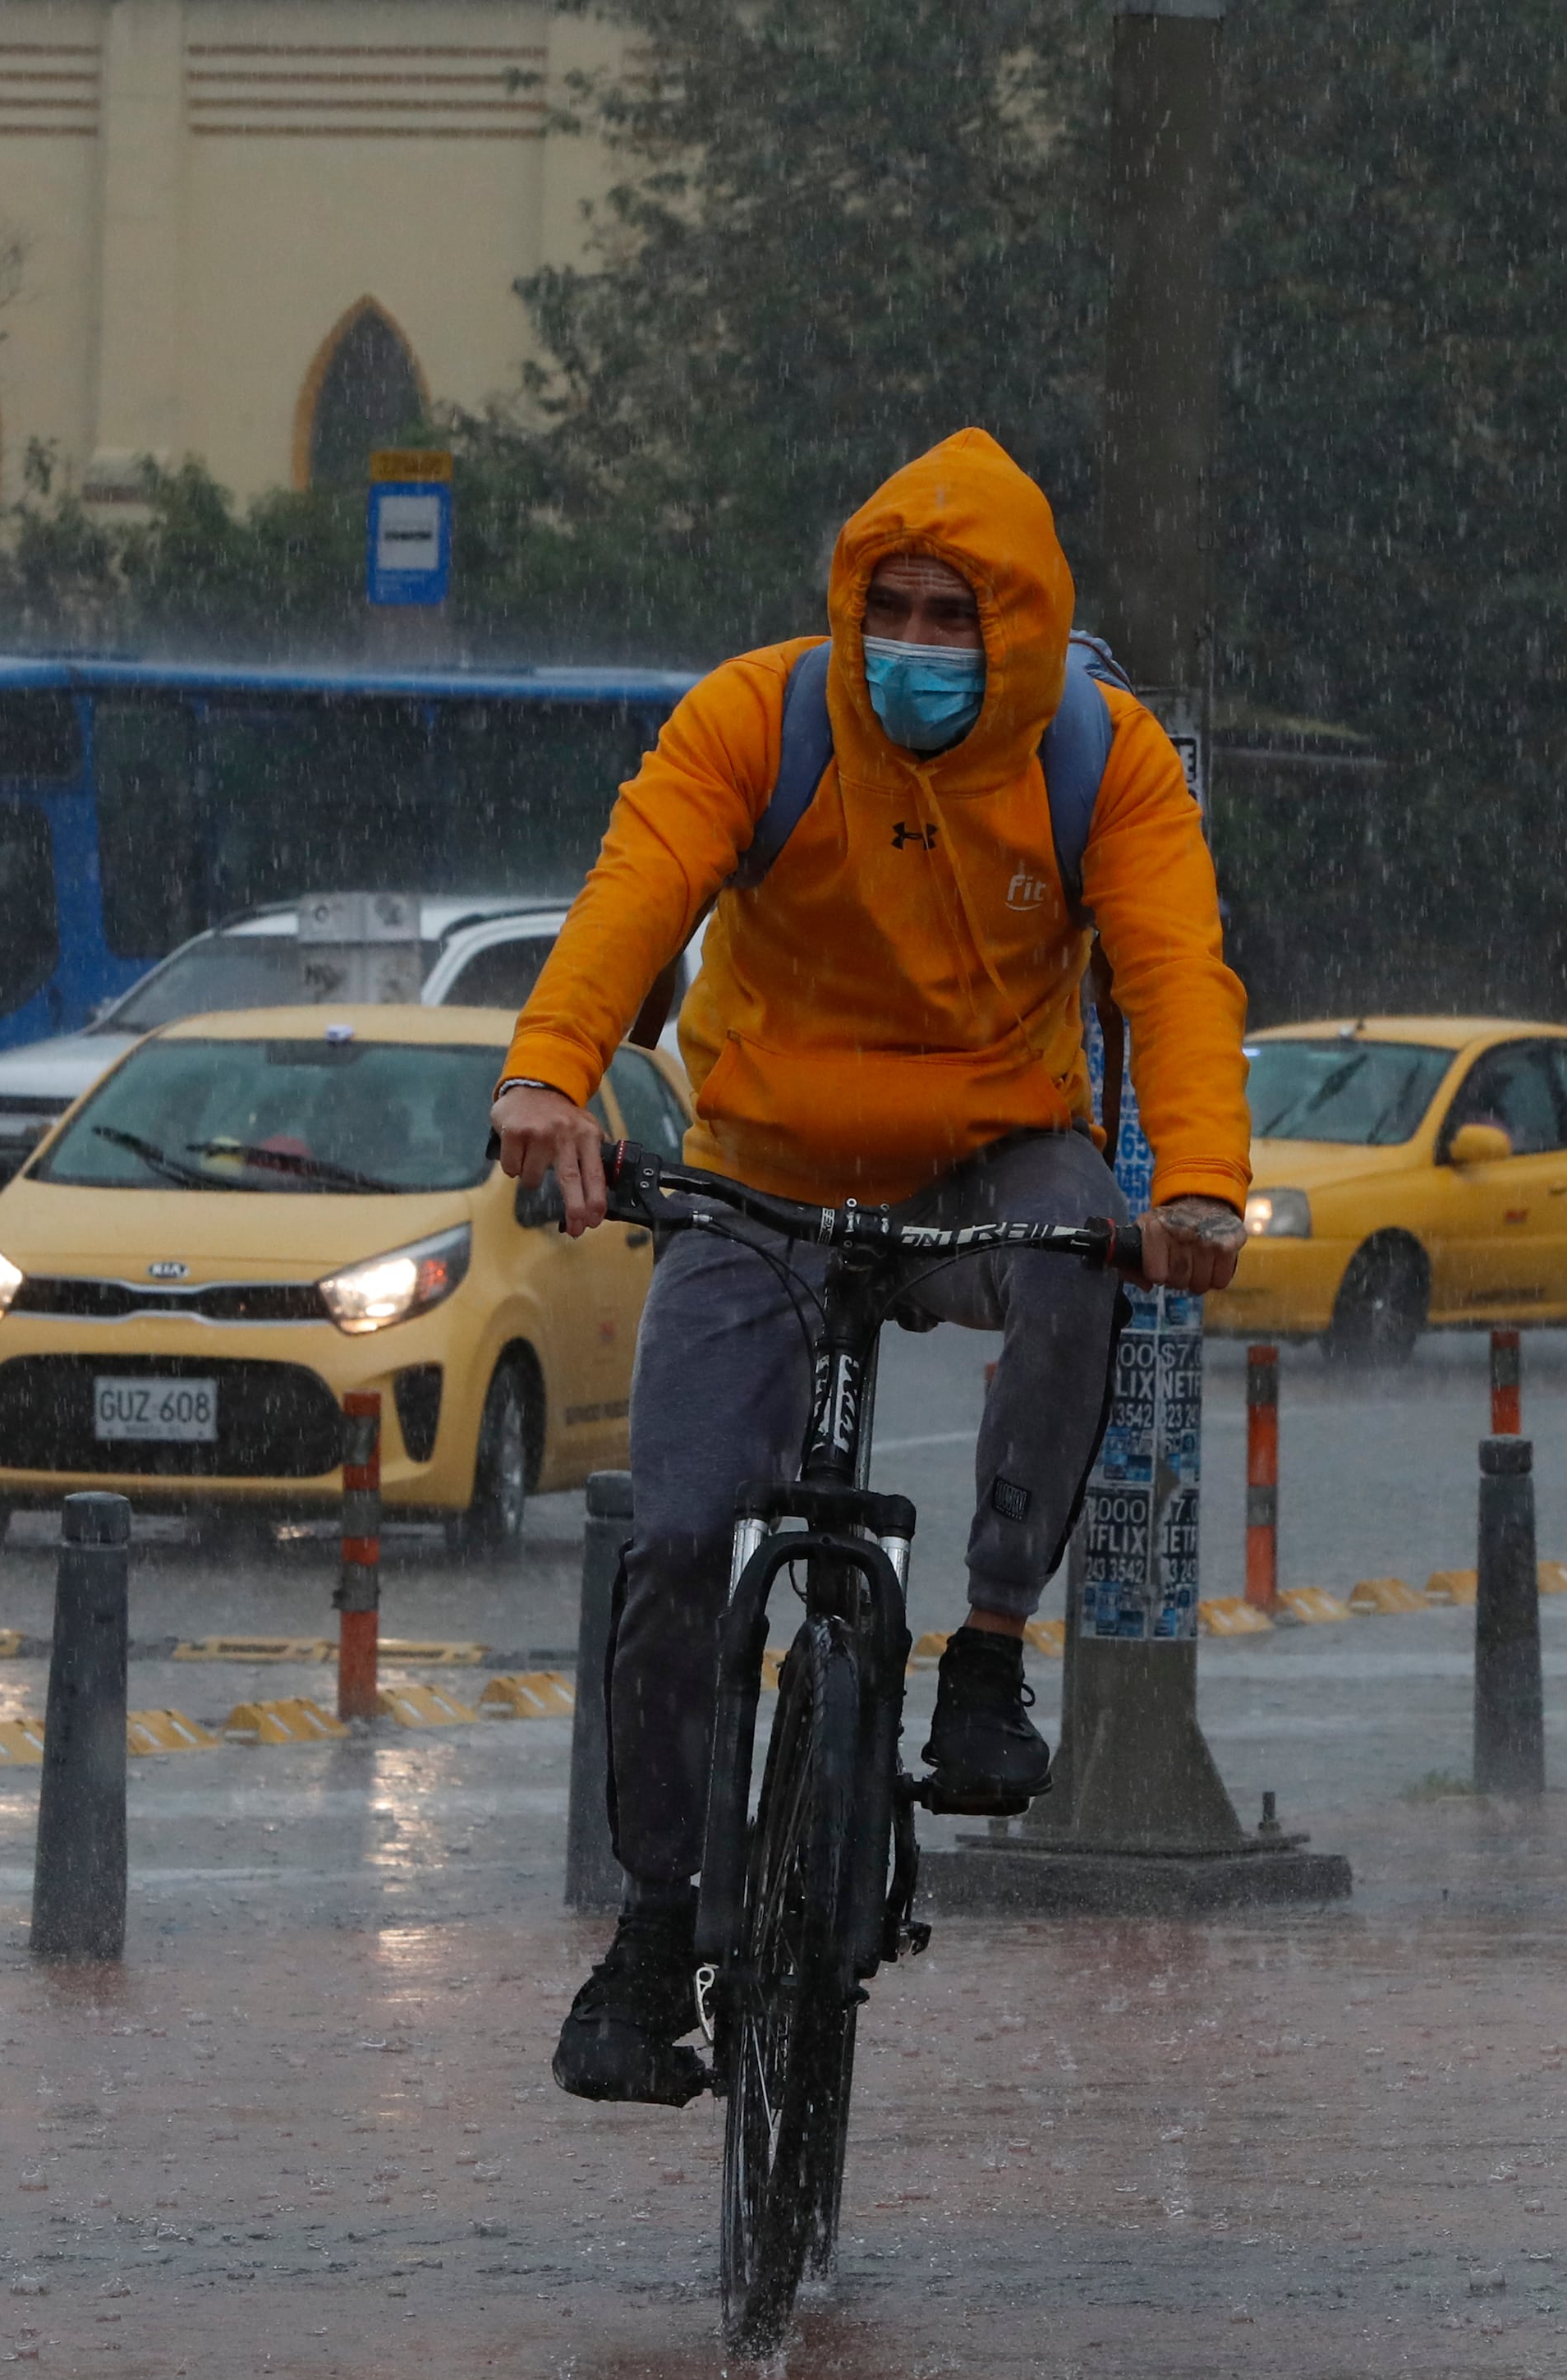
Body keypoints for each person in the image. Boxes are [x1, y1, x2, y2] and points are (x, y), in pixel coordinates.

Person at [490, 429, 1252, 2107]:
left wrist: (1195, 1185)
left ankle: (982, 1652)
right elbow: (638, 885)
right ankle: (651, 1938)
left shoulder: (1098, 763)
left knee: (1077, 1264)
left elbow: (1179, 972)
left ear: (1020, 633)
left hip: (989, 1156)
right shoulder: (757, 721)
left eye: (947, 618)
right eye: (884, 610)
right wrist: (553, 1068)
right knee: (679, 1536)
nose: (908, 647)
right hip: (760, 1170)